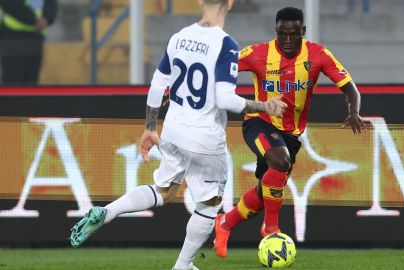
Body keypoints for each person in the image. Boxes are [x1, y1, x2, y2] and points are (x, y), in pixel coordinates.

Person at [69, 0, 286, 270]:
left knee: (163, 190)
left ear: (199, 1)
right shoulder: (225, 44)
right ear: (229, 3)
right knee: (209, 204)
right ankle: (182, 265)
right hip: (205, 139)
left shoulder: (179, 38)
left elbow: (158, 84)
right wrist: (265, 105)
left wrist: (150, 127)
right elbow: (224, 99)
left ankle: (109, 211)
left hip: (173, 131)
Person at [213, 7, 367, 258]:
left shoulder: (318, 54)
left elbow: (350, 88)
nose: (286, 40)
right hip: (259, 122)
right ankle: (270, 228)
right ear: (276, 31)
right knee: (280, 161)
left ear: (302, 32)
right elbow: (220, 66)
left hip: (291, 134)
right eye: (281, 34)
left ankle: (224, 223)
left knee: (266, 191)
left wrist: (354, 111)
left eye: (293, 34)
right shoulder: (257, 53)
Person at [0, 0, 57, 85]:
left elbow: (51, 3)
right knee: (13, 90)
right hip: (12, 42)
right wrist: (34, 20)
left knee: (30, 91)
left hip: (35, 43)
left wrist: (47, 18)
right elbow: (9, 3)